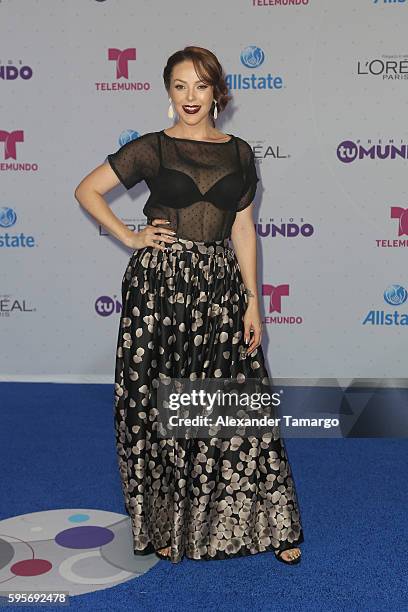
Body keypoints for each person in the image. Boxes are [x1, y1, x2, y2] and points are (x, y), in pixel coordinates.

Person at [74, 46, 304, 565]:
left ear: (216, 92)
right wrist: (130, 237)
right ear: (168, 92)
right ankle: (165, 523)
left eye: (200, 85)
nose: (190, 97)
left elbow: (243, 227)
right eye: (180, 86)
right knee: (161, 406)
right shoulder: (152, 148)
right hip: (159, 289)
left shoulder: (240, 152)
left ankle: (258, 522)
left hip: (220, 288)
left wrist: (253, 302)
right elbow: (87, 190)